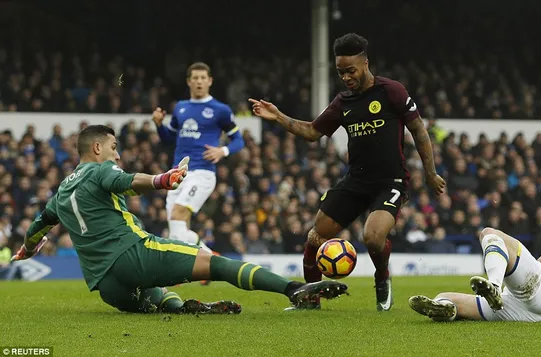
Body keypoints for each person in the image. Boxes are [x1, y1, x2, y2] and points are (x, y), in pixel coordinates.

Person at [11, 125, 347, 314]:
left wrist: (27, 248)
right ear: (97, 148)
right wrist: (162, 179)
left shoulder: (61, 191)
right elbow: (127, 180)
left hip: (107, 287)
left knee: (156, 295)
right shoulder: (102, 169)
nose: (117, 154)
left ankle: (184, 308)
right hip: (134, 254)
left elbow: (38, 224)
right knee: (215, 263)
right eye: (113, 147)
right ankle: (295, 290)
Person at [249, 33, 446, 311]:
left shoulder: (392, 91)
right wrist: (278, 116)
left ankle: (382, 278)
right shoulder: (343, 102)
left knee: (373, 237)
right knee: (315, 238)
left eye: (350, 70)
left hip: (391, 181)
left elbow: (419, 130)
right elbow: (312, 132)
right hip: (356, 181)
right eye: (341, 72)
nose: (346, 77)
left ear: (365, 63)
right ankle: (310, 300)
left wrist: (430, 173)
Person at [409, 199, 541, 322]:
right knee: (446, 297)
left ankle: (494, 285)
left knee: (489, 233)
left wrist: (521, 274)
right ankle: (448, 309)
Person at [153, 62, 245, 253]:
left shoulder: (220, 110)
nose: (199, 82)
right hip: (177, 173)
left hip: (202, 172)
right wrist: (160, 125)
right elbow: (169, 138)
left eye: (203, 78)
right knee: (177, 228)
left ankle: (180, 270)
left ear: (210, 81)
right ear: (189, 82)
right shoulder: (180, 107)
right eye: (195, 78)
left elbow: (238, 140)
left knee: (178, 214)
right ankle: (209, 258)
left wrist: (223, 151)